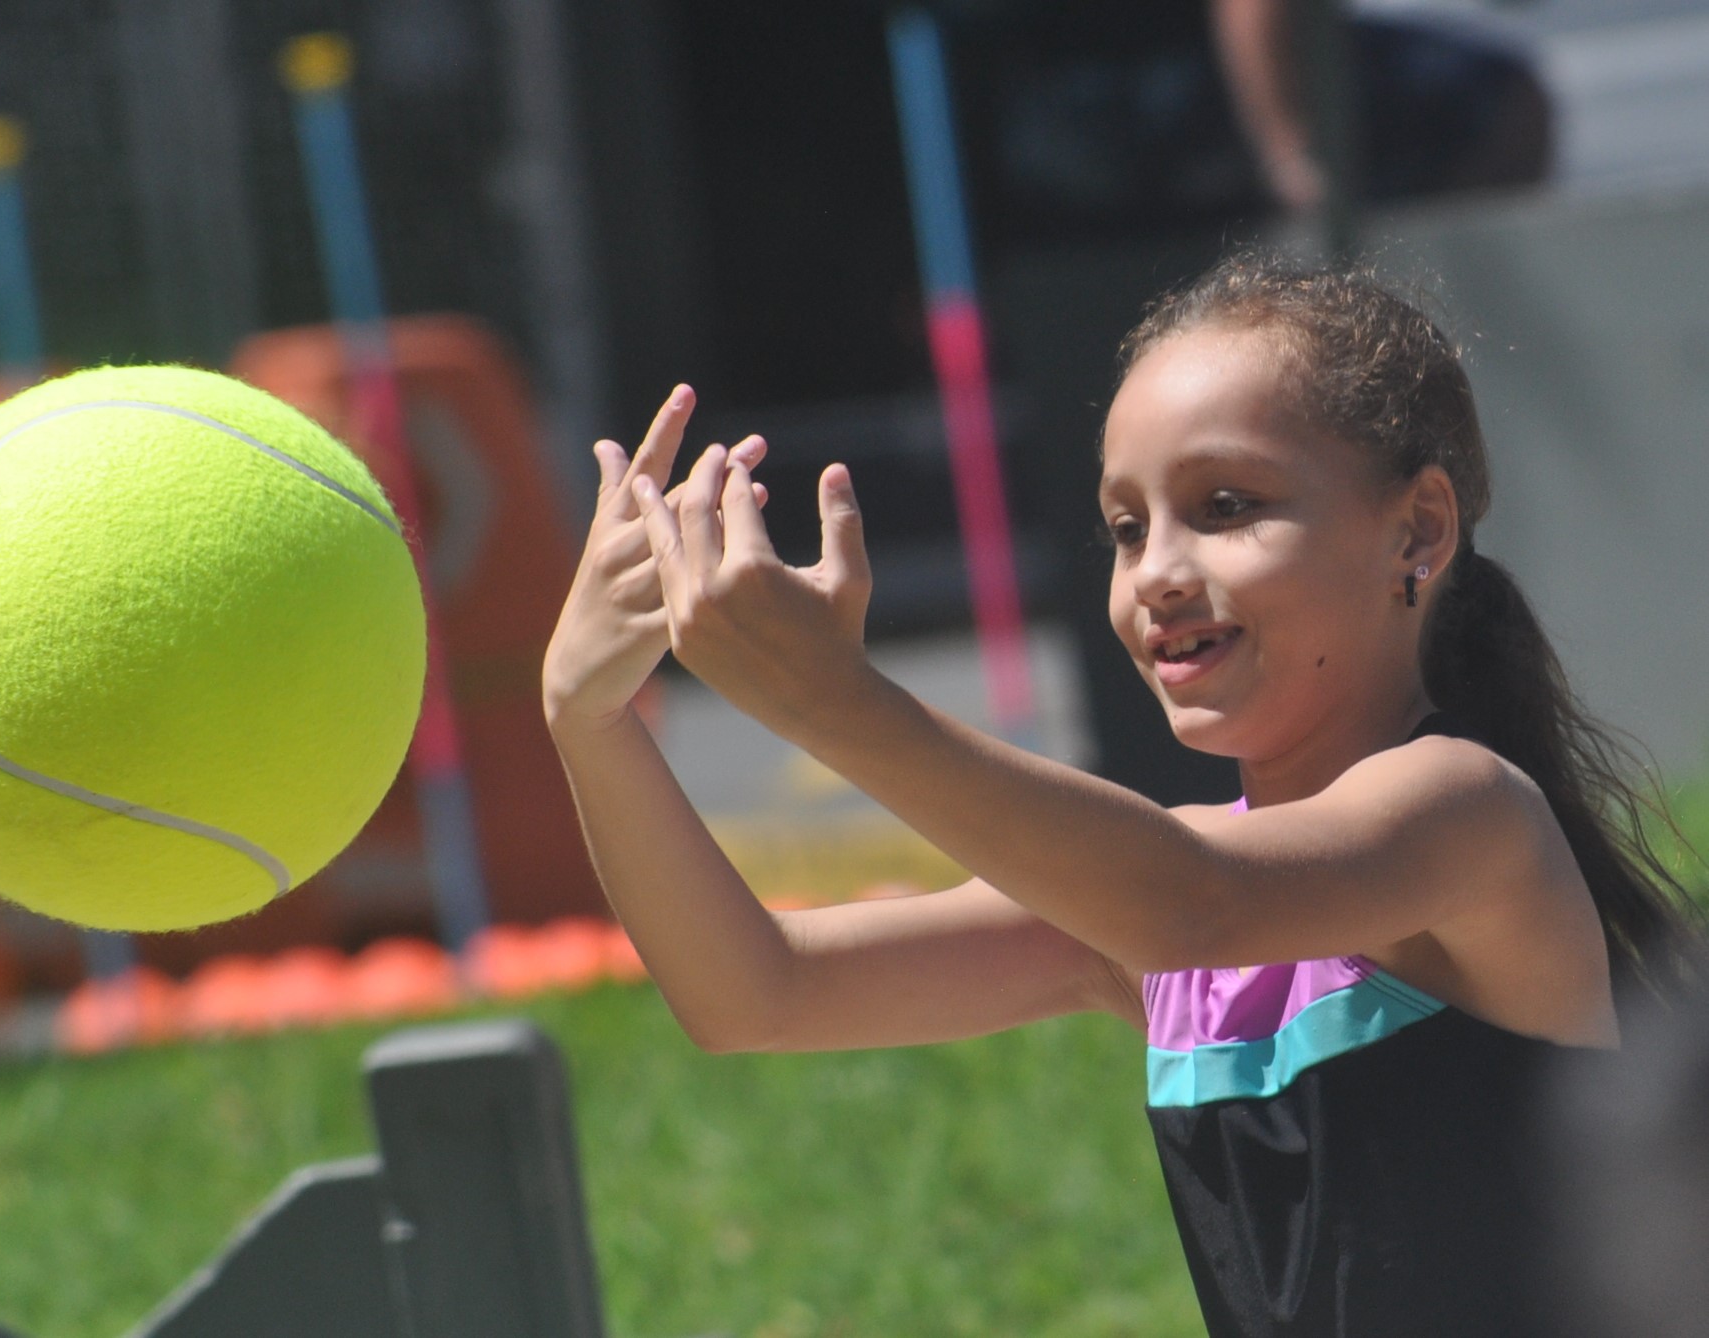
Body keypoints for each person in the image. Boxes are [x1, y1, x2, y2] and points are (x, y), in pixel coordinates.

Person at [542, 252, 1705, 1334]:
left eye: (1226, 506)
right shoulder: (1159, 907)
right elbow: (752, 993)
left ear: (1417, 529)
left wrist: (830, 702)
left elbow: (1190, 903)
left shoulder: (1462, 812)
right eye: (1122, 526)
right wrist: (586, 718)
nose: (1154, 571)